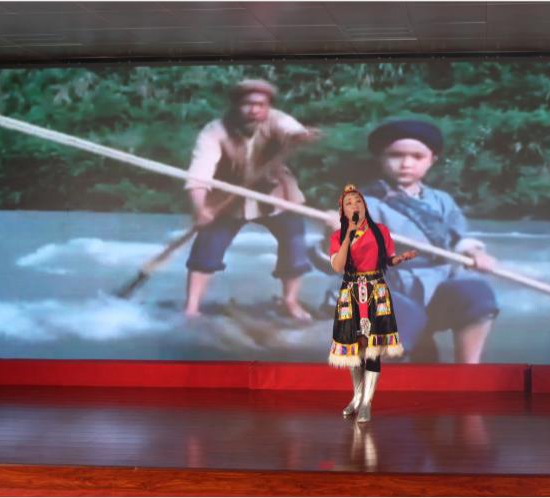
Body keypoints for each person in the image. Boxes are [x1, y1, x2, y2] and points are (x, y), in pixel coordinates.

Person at [354, 119, 500, 364]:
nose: (406, 163)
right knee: (398, 321)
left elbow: (460, 237)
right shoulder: (363, 201)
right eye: (396, 155)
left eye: (417, 156)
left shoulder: (442, 200)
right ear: (380, 158)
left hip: (437, 283)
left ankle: (469, 372)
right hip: (388, 285)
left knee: (477, 295)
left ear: (432, 160)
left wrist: (475, 253)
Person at [183, 79, 321, 320]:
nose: (254, 110)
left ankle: (290, 301)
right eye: (247, 104)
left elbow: (292, 130)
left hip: (276, 195)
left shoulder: (277, 120)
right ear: (236, 105)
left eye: (260, 105)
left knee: (294, 243)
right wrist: (200, 208)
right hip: (228, 197)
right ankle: (191, 307)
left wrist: (302, 136)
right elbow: (200, 171)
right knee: (207, 246)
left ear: (268, 107)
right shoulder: (215, 131)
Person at [329, 184, 417, 423]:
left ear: (365, 205)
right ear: (343, 211)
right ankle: (356, 397)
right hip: (351, 293)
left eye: (358, 201)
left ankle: (367, 402)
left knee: (372, 347)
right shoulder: (338, 236)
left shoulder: (380, 231)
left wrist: (400, 258)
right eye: (349, 203)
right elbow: (337, 266)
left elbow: (387, 259)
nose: (354, 206)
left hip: (376, 291)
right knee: (354, 348)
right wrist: (349, 235)